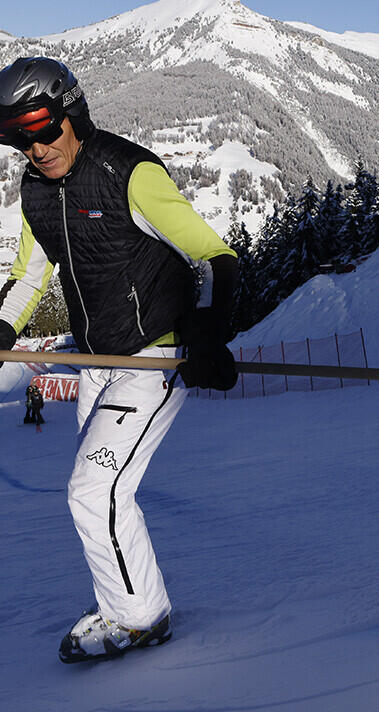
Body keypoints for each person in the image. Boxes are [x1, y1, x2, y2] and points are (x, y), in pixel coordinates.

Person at [0, 57, 239, 662]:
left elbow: (213, 258)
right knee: (105, 491)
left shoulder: (128, 173)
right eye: (19, 139)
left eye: (44, 129)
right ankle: (126, 600)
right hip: (95, 362)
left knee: (92, 490)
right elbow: (28, 278)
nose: (36, 148)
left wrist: (206, 337)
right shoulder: (35, 191)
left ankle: (138, 617)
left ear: (71, 114)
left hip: (153, 360)